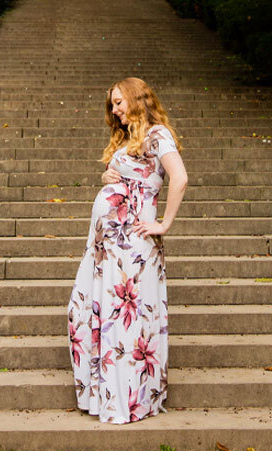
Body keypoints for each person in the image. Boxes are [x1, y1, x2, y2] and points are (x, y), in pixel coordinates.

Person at [67, 77, 188, 423]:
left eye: (119, 102)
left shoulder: (157, 134)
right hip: (108, 248)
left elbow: (179, 178)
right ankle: (104, 397)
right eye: (113, 104)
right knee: (84, 312)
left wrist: (163, 224)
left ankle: (125, 403)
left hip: (131, 246)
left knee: (123, 322)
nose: (115, 110)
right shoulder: (129, 138)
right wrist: (111, 177)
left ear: (136, 98)